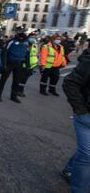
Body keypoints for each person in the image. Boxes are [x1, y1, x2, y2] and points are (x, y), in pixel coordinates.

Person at [61, 47, 90, 192]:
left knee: (86, 151)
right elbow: (70, 82)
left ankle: (69, 168)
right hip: (86, 117)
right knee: (87, 156)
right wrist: (81, 109)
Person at [0, 26, 29, 103]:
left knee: (16, 81)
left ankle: (13, 96)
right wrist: (4, 64)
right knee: (3, 79)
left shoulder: (26, 42)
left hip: (19, 64)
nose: (20, 32)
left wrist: (27, 65)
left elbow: (27, 54)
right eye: (19, 30)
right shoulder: (11, 41)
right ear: (16, 31)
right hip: (10, 63)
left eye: (22, 31)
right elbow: (4, 52)